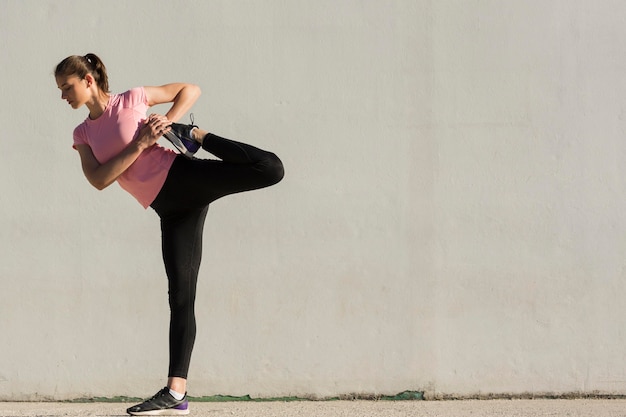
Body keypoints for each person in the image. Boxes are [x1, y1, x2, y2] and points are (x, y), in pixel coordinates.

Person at [54, 53, 284, 416]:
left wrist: (172, 122)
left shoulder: (131, 99)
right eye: (60, 90)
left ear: (87, 80)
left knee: (270, 168)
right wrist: (140, 144)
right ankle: (177, 393)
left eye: (67, 87)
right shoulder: (81, 134)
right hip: (170, 210)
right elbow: (99, 180)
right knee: (180, 297)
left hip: (183, 179)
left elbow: (190, 90)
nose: (63, 95)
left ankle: (197, 135)